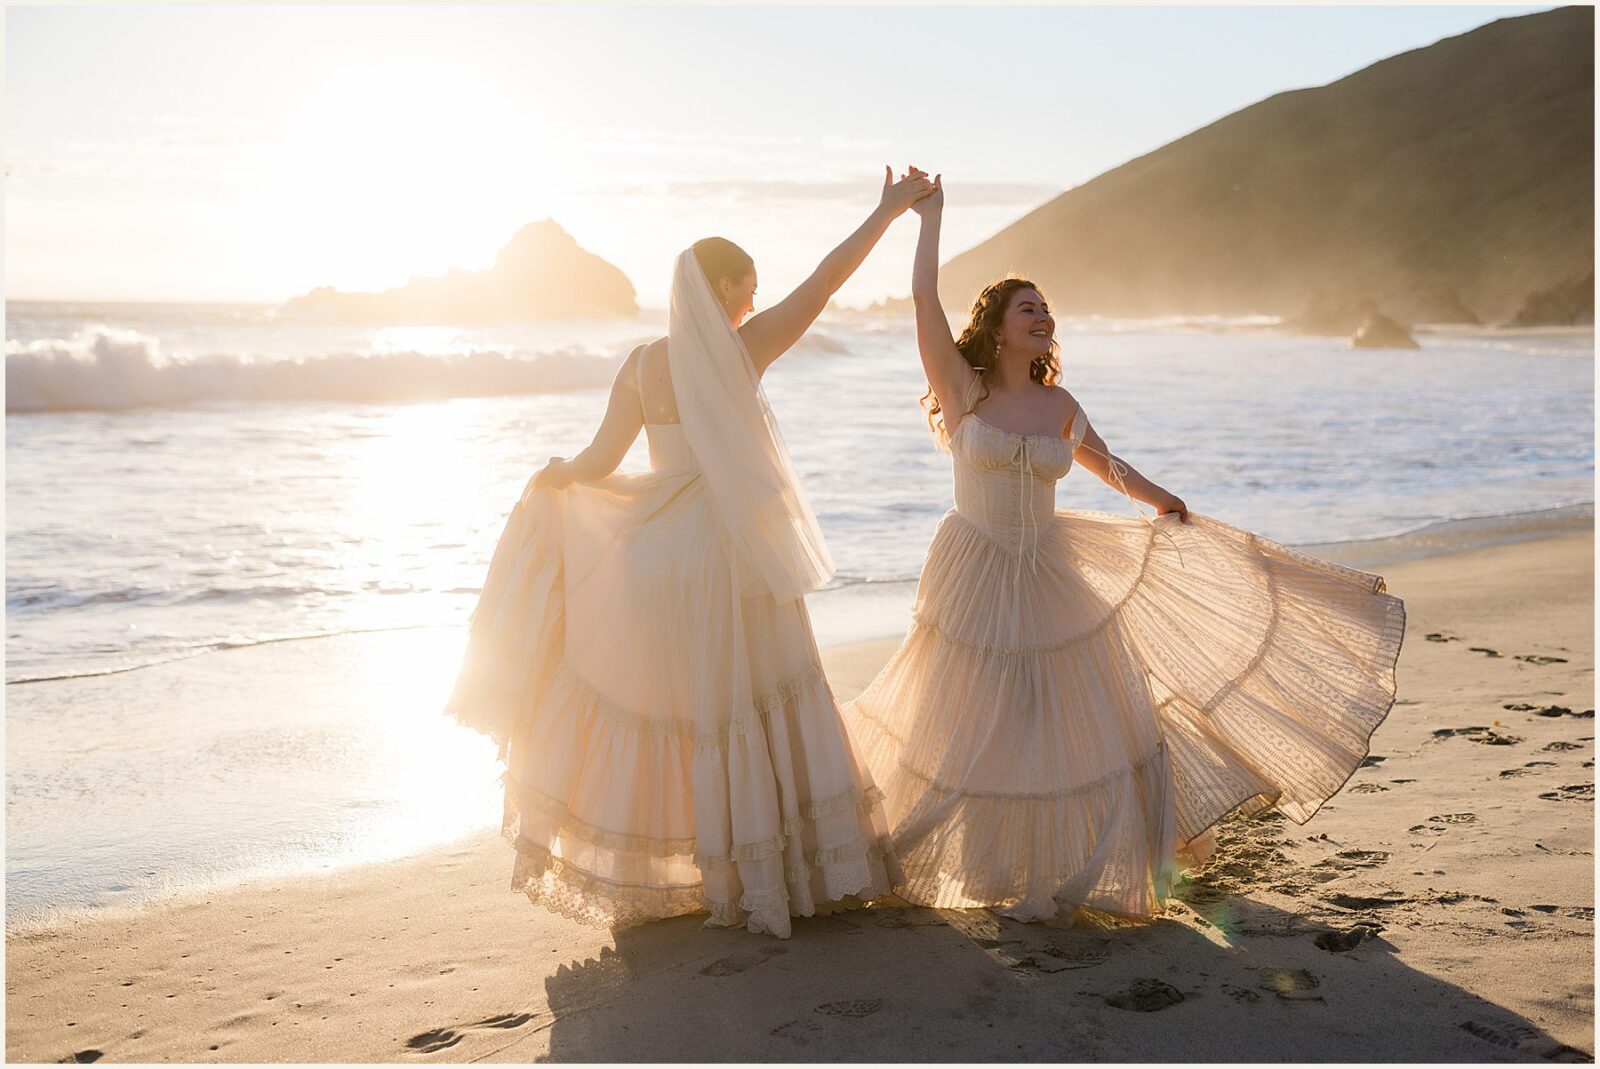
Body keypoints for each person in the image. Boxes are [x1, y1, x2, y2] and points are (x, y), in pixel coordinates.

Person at [842, 171, 1406, 923]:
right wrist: (928, 218)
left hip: (1049, 568)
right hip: (973, 565)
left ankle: (1052, 862)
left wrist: (1163, 500)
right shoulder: (963, 389)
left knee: (1062, 715)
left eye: (1046, 308)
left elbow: (1108, 466)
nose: (1043, 317)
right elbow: (922, 301)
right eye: (1027, 308)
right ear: (997, 327)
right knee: (968, 712)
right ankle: (966, 856)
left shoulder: (1059, 403)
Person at [445, 169, 931, 938]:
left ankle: (699, 869)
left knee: (681, 711)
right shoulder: (743, 350)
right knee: (752, 702)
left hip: (663, 554)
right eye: (748, 291)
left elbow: (600, 460)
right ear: (725, 288)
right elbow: (825, 281)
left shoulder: (643, 364)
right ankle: (771, 869)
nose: (752, 305)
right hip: (735, 551)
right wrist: (886, 212)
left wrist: (555, 477)